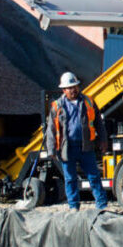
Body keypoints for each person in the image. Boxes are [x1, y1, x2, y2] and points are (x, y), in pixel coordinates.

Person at [44, 71, 109, 212]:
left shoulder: (88, 102)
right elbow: (51, 130)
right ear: (64, 90)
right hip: (67, 148)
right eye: (70, 87)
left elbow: (99, 122)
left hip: (86, 146)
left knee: (94, 176)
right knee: (70, 179)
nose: (73, 89)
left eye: (75, 86)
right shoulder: (57, 106)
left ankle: (102, 205)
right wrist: (51, 149)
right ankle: (73, 206)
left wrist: (103, 140)